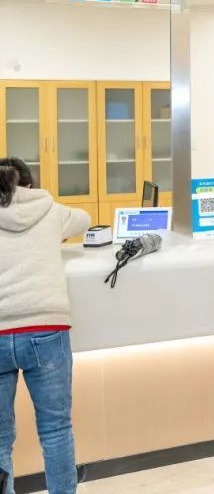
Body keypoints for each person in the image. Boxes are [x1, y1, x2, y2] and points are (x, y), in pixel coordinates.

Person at [0, 157, 91, 494]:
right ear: (29, 185)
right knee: (55, 431)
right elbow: (85, 219)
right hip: (46, 328)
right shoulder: (50, 210)